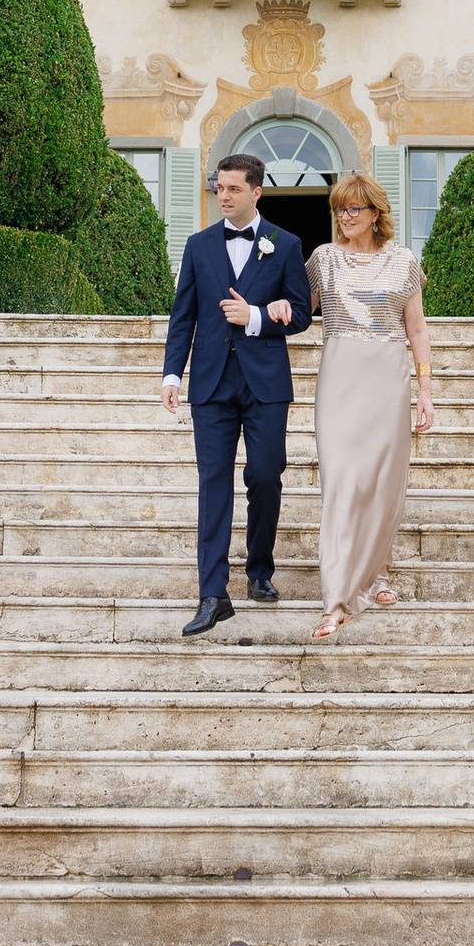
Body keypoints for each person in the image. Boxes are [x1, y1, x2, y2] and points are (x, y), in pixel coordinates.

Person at [159, 154, 314, 638]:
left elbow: (304, 315)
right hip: (210, 382)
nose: (222, 196)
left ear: (256, 192)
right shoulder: (199, 245)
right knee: (213, 484)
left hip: (265, 382)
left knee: (266, 476)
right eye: (218, 188)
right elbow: (183, 313)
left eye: (231, 189)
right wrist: (171, 374)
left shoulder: (285, 245)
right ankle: (213, 593)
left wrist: (257, 317)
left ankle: (260, 569)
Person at [304, 170, 433, 646]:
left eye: (354, 208)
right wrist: (269, 309)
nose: (345, 216)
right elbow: (301, 309)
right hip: (340, 376)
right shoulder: (323, 259)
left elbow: (417, 330)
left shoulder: (404, 263)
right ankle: (336, 600)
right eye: (339, 208)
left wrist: (426, 390)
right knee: (341, 482)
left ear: (376, 212)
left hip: (388, 378)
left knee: (381, 484)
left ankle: (376, 575)